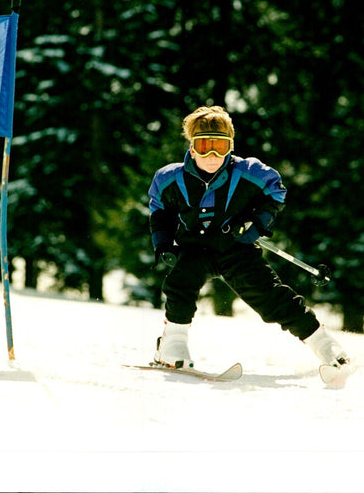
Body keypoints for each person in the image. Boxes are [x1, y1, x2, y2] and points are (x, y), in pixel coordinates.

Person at [148, 105, 350, 375]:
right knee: (180, 284)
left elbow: (276, 194)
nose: (212, 155)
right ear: (192, 147)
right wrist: (162, 244)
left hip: (236, 248)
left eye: (220, 146)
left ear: (230, 147)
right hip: (194, 247)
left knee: (271, 297)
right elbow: (159, 211)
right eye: (204, 145)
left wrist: (257, 224)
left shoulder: (249, 172)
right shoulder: (169, 178)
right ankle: (172, 346)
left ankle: (325, 346)